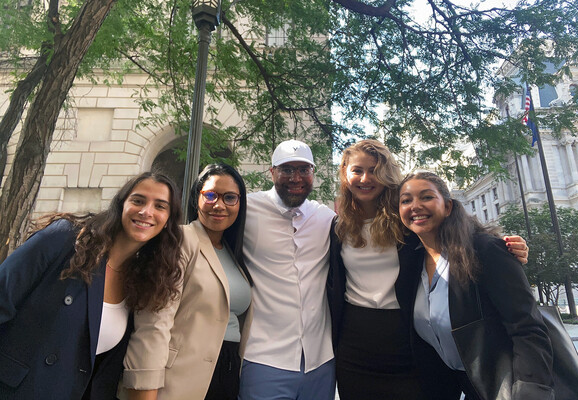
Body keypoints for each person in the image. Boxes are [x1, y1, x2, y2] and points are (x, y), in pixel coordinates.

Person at [327, 140, 530, 400]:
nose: (366, 178)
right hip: (354, 343)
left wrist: (507, 247)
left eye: (375, 170)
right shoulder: (338, 227)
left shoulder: (407, 220)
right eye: (357, 170)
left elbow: (457, 231)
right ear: (345, 172)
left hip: (408, 341)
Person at [0, 171, 183, 400]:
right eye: (138, 200)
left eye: (160, 206)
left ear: (168, 220)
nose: (146, 212)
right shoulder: (65, 239)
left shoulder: (144, 281)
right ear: (121, 204)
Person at [398, 171, 553, 400]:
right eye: (406, 200)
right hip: (454, 385)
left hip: (504, 385)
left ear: (448, 207)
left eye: (427, 197)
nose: (416, 206)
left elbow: (527, 327)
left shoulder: (485, 250)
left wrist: (531, 389)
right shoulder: (411, 261)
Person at [123, 163, 252, 400]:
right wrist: (144, 388)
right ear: (196, 199)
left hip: (227, 371)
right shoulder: (181, 240)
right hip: (179, 376)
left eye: (230, 197)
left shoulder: (233, 254)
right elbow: (154, 321)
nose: (219, 205)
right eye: (210, 195)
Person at [239, 140, 337, 400]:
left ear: (313, 173)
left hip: (321, 360)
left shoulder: (325, 218)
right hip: (263, 358)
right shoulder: (246, 210)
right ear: (272, 173)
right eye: (287, 169)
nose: (296, 178)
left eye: (304, 169)